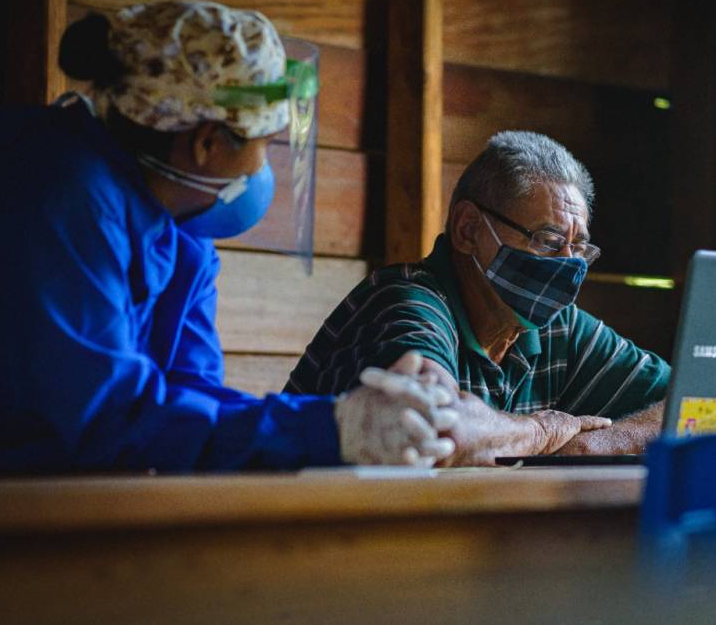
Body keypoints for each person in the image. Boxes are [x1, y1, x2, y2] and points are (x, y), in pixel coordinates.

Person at [0, 0, 458, 474]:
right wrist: (326, 429)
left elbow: (191, 393)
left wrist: (342, 419)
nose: (263, 168)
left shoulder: (181, 223)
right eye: (265, 144)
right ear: (206, 143)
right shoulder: (62, 195)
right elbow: (109, 416)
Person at [286, 131, 671, 463]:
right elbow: (436, 432)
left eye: (579, 248)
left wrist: (595, 445)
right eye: (548, 241)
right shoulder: (407, 302)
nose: (568, 265)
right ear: (468, 229)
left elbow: (698, 403)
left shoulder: (558, 326)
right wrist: (543, 432)